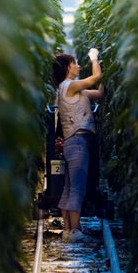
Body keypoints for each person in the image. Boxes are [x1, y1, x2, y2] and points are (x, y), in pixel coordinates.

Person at [52, 48, 104, 242]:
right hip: (78, 141)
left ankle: (67, 230)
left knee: (69, 187)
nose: (78, 66)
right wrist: (94, 58)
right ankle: (75, 231)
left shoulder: (74, 89)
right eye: (75, 63)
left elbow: (99, 92)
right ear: (67, 67)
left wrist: (102, 71)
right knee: (78, 188)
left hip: (73, 142)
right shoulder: (69, 85)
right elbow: (95, 78)